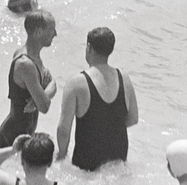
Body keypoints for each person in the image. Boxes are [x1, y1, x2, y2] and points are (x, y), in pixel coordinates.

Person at [55, 26, 137, 172]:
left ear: (89, 48)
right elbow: (133, 119)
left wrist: (61, 157)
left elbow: (63, 129)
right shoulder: (124, 79)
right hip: (118, 163)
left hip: (86, 167)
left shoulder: (76, 82)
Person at [0, 10, 59, 147]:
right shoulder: (25, 64)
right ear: (39, 32)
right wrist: (40, 99)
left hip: (23, 133)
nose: (55, 34)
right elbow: (44, 106)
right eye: (51, 29)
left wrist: (41, 96)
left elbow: (52, 83)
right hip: (13, 138)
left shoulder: (34, 57)